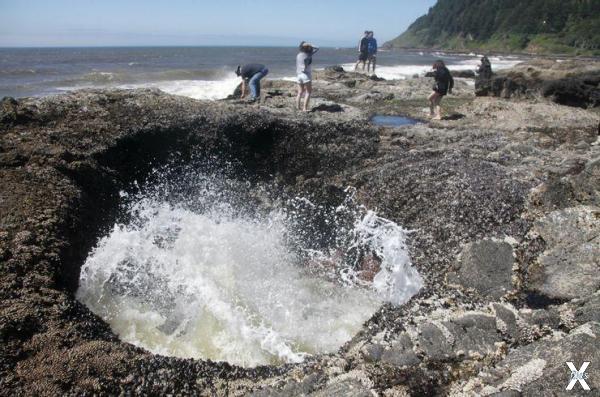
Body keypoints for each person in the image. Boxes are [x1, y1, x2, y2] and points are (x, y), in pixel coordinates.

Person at [296, 41, 319, 112]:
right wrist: (310, 44)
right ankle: (304, 108)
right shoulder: (308, 54)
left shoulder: (298, 55)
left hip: (298, 75)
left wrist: (305, 45)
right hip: (305, 75)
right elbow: (317, 48)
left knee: (300, 92)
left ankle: (298, 107)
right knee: (308, 92)